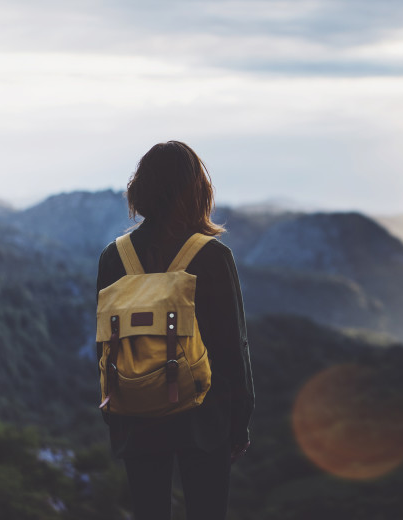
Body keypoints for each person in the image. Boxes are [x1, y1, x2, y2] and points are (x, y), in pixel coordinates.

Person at [96, 140, 255, 520]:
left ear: (140, 189)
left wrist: (114, 412)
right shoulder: (213, 255)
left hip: (135, 412)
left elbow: (103, 344)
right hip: (204, 416)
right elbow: (233, 347)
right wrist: (240, 423)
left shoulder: (113, 257)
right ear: (199, 191)